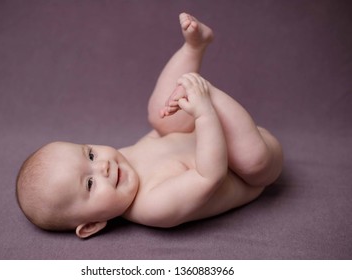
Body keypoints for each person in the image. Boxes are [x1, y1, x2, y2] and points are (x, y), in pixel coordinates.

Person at [16, 13, 283, 239]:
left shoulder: (123, 160)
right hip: (247, 169)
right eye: (89, 184)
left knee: (160, 117)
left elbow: (163, 132)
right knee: (253, 161)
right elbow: (209, 176)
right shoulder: (154, 206)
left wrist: (182, 112)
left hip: (211, 128)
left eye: (90, 154)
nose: (103, 166)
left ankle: (193, 48)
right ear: (91, 225)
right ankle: (206, 91)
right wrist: (204, 113)